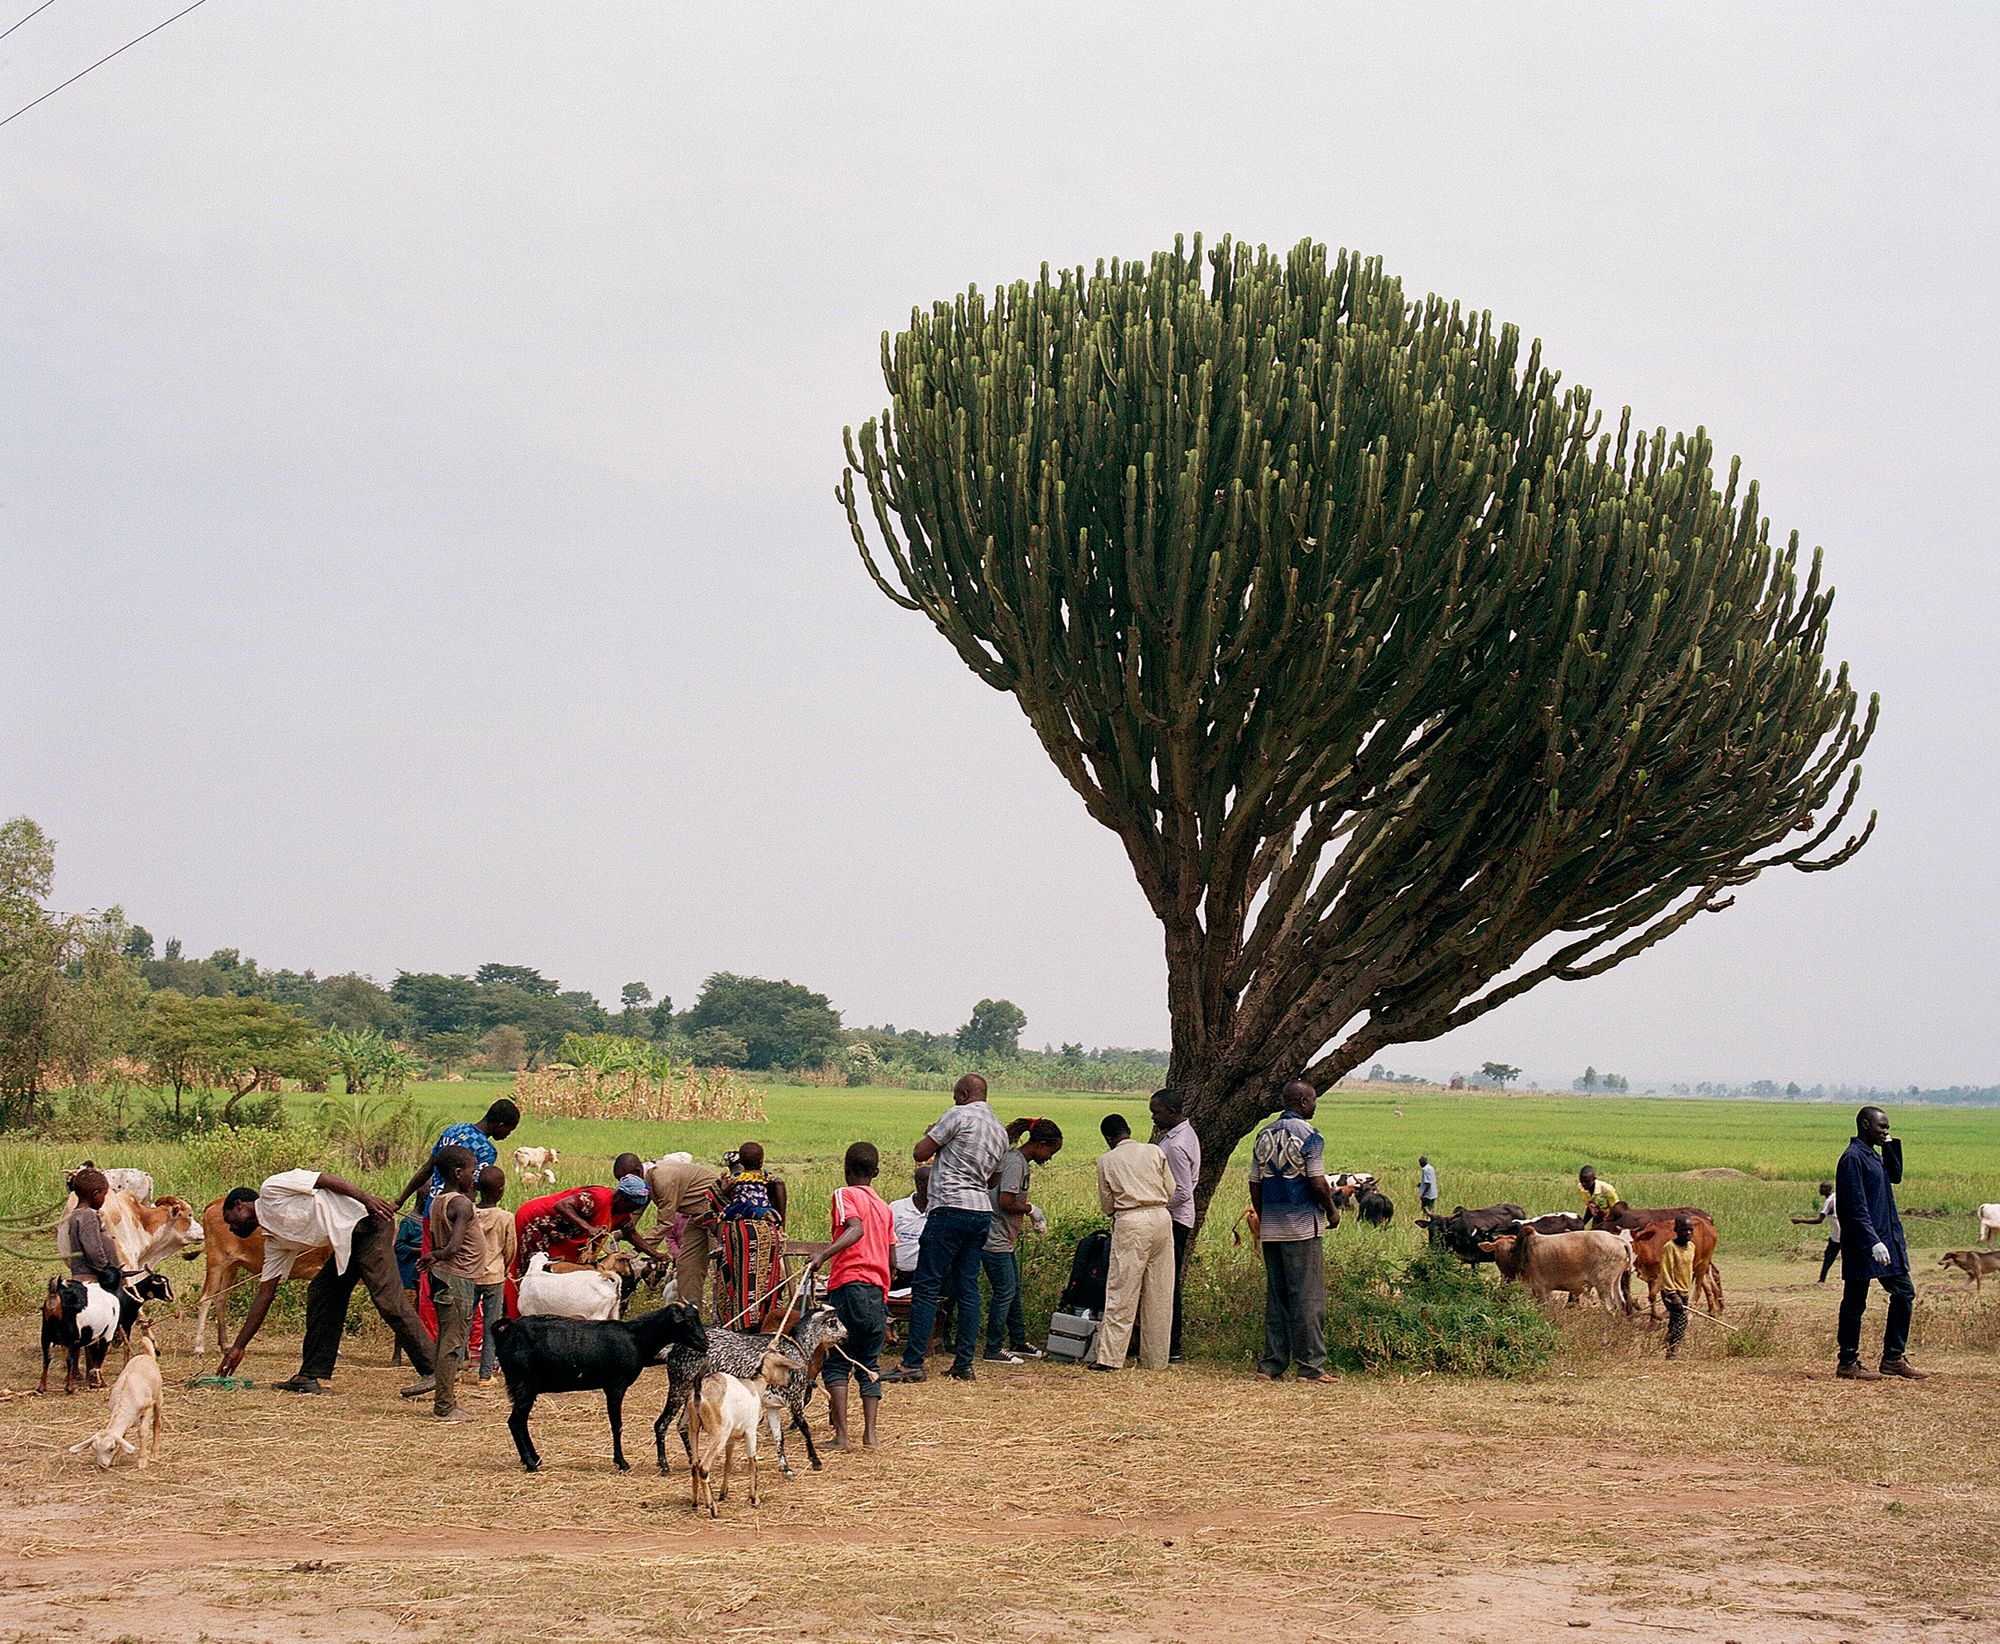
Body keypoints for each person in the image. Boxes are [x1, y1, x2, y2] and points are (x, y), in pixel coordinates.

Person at [216, 1171, 436, 1398]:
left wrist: (367, 1200)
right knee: (323, 1292)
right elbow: (265, 1295)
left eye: (228, 1219)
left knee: (388, 1300)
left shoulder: (271, 1189)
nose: (230, 1228)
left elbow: (324, 1179)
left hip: (368, 1224)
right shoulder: (275, 1242)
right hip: (348, 1241)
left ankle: (433, 1368)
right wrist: (239, 1346)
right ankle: (308, 1375)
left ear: (240, 1205)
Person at [884, 1073, 1007, 1384]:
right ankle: (964, 1362)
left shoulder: (958, 1115)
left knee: (926, 1285)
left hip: (950, 1207)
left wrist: (933, 1134)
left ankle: (912, 1363)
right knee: (967, 1287)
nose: (955, 1101)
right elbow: (993, 1180)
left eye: (956, 1096)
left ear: (964, 1094)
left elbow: (919, 1154)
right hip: (981, 1212)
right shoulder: (999, 1130)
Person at [806, 1141, 896, 1450]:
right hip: (876, 1293)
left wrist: (823, 1256)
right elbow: (892, 1260)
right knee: (869, 1362)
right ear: (877, 1172)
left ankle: (842, 1437)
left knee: (836, 1361)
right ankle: (870, 1435)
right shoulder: (885, 1208)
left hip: (848, 1287)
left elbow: (855, 1229)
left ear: (846, 1170)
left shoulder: (845, 1195)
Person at [1249, 1080, 1338, 1383]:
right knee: (1308, 1297)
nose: (1315, 1105)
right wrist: (1332, 1210)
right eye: (1312, 1100)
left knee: (1277, 1297)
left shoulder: (1263, 1134)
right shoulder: (1310, 1136)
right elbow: (1317, 1182)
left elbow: (1254, 1183)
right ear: (1302, 1102)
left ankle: (1271, 1365)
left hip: (1271, 1228)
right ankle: (1311, 1367)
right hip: (1302, 1227)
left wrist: (1264, 1216)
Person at [1834, 1105, 1923, 1381]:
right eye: (1882, 1127)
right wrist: (1872, 1241)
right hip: (1865, 1242)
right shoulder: (1852, 1158)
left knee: (1904, 1292)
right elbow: (1856, 1206)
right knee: (1854, 1301)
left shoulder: (1872, 1154)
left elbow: (1895, 1176)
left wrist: (1889, 1144)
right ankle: (1847, 1362)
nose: (1886, 1131)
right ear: (1864, 1125)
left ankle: (1893, 1358)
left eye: (1887, 1127)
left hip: (1887, 1238)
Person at [1090, 1113, 1177, 1373]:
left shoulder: (1107, 1160)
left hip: (1130, 1220)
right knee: (1160, 1291)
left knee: (1122, 1291)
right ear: (1128, 1130)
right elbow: (1171, 1189)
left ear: (1108, 1138)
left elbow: (1107, 1203)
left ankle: (1110, 1358)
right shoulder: (1153, 1151)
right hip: (1162, 1217)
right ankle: (1156, 1359)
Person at [982, 1118, 1063, 1364]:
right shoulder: (1015, 1163)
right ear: (1040, 1144)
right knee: (1005, 1291)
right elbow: (1005, 1201)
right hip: (994, 1238)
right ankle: (993, 1348)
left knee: (1013, 1288)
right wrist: (1030, 1210)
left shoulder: (1018, 1161)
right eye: (1050, 1151)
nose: (1049, 1157)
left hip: (1003, 1238)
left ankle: (1018, 1341)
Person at [512, 1176, 661, 1309]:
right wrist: (588, 1228)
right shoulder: (599, 1198)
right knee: (532, 1271)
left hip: (557, 1232)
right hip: (536, 1221)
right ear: (623, 1199)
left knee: (560, 1271)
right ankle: (520, 1310)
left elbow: (631, 1233)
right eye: (633, 1206)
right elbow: (562, 1205)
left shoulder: (620, 1211)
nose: (633, 1211)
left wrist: (657, 1254)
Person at [418, 1144, 482, 1422]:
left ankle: (445, 1400)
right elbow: (454, 1247)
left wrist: (435, 1257)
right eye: (471, 1170)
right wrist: (436, 1255)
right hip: (458, 1279)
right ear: (458, 1173)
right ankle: (445, 1406)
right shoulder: (461, 1203)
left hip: (445, 1276)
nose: (474, 1175)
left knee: (447, 1339)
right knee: (452, 1345)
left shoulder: (438, 1202)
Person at [712, 1142, 787, 1328]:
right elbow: (780, 1183)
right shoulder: (767, 1177)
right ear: (762, 1161)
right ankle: (765, 1321)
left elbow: (722, 1193)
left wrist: (724, 1187)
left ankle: (740, 1322)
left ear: (741, 1162)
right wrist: (781, 1221)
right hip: (767, 1229)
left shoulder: (737, 1176)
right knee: (767, 1278)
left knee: (739, 1277)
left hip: (740, 1230)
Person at [1150, 1091, 1201, 1364]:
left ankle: (1172, 1344)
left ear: (1171, 1111)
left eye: (1157, 1112)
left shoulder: (1178, 1145)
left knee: (1168, 1284)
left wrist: (1156, 1205)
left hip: (1175, 1218)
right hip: (1173, 1216)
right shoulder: (1178, 1136)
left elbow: (1183, 1190)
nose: (1153, 1117)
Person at [645, 1152, 724, 1316]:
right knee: (687, 1267)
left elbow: (665, 1223)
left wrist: (637, 1252)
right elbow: (633, 1215)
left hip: (717, 1214)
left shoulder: (662, 1179)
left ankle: (728, 1319)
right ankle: (691, 1318)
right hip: (698, 1218)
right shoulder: (645, 1181)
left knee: (723, 1267)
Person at [471, 1164, 515, 1380]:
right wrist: (504, 1268)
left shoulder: (468, 1211)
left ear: (477, 1187)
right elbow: (510, 1249)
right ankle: (485, 1374)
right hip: (494, 1275)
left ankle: (458, 1369)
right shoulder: (506, 1217)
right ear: (501, 1190)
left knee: (464, 1321)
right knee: (492, 1325)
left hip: (469, 1273)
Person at [63, 1168, 124, 1295]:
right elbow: (92, 1248)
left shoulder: (76, 1214)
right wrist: (107, 1268)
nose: (104, 1199)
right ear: (95, 1194)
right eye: (104, 1195)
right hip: (94, 1280)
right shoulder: (88, 1216)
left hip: (84, 1277)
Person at [1659, 1214, 1695, 1360]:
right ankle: (1672, 1352)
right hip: (1671, 1292)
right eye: (1684, 1229)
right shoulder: (1669, 1247)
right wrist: (1673, 1294)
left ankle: (1666, 1343)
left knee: (1675, 1321)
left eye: (1690, 1230)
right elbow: (1666, 1271)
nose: (1688, 1233)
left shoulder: (1692, 1247)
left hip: (1684, 1291)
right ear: (1676, 1230)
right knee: (1681, 1320)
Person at [890, 1165, 933, 1288]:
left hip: (925, 1276)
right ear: (920, 1185)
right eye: (932, 1183)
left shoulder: (938, 1211)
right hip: (897, 1275)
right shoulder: (896, 1208)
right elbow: (885, 1241)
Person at [1791, 1180, 1841, 1284]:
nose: (1820, 1190)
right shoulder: (1836, 1197)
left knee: (1829, 1255)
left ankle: (1822, 1279)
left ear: (1828, 1189)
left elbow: (1819, 1220)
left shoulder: (1828, 1202)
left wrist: (1800, 1220)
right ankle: (1822, 1278)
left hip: (1838, 1235)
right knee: (1831, 1255)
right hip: (1843, 1232)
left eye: (1822, 1188)